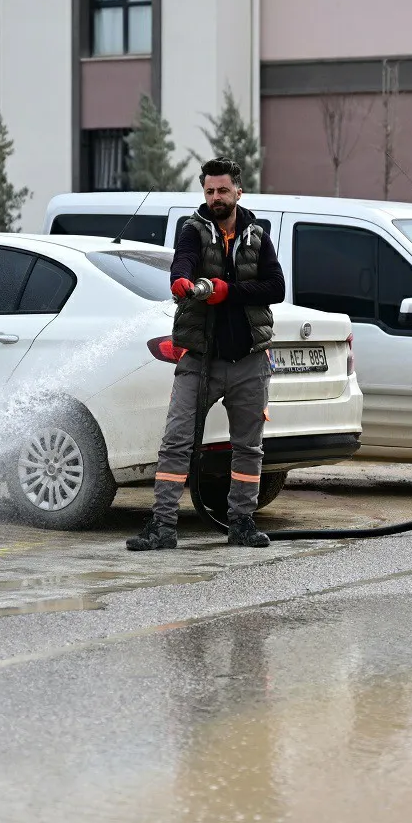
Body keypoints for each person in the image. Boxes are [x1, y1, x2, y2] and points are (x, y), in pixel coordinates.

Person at [127, 157, 286, 551]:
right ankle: (163, 526)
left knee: (248, 446)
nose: (216, 197)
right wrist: (182, 280)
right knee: (177, 442)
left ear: (238, 191)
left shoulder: (257, 234)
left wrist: (227, 292)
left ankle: (242, 523)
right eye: (210, 191)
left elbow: (276, 288)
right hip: (200, 358)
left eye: (223, 190)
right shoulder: (193, 230)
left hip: (249, 359)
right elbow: (182, 261)